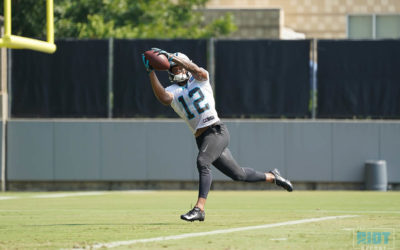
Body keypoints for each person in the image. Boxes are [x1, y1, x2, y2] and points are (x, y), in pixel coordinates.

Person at [142, 48, 293, 222]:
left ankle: (199, 209)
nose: (175, 71)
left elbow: (197, 70)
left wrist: (173, 58)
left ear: (184, 67)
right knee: (239, 175)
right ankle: (274, 177)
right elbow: (164, 98)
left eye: (177, 67)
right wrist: (151, 72)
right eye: (172, 69)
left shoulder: (200, 79)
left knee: (202, 161)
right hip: (202, 138)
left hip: (216, 130)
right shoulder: (173, 90)